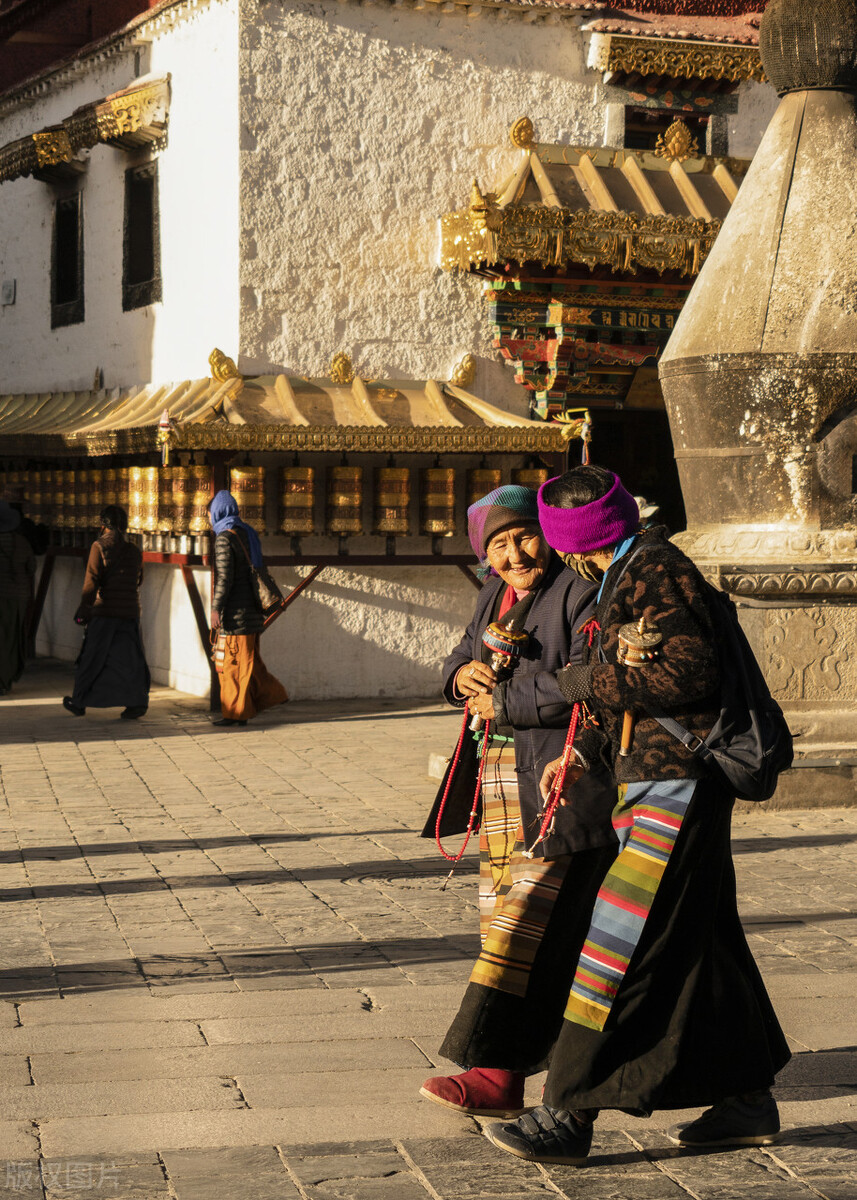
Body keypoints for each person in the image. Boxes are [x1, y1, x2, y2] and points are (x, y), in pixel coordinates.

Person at [485, 466, 790, 1166]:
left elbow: (686, 674)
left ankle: (566, 1111)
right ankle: (744, 1097)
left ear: (569, 544)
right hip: (649, 773)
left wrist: (576, 681)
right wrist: (587, 751)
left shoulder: (653, 570)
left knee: (621, 943)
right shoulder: (626, 570)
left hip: (675, 781)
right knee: (701, 940)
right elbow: (639, 685)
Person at [419, 484, 617, 1118]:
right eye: (499, 544)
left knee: (522, 926)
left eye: (524, 536)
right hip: (504, 779)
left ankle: (497, 1070)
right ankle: (510, 1072)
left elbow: (592, 680)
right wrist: (460, 676)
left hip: (560, 781)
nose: (514, 554)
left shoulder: (577, 591)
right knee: (504, 919)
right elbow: (462, 651)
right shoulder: (493, 595)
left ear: (550, 534)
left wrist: (504, 700)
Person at [209, 489, 287, 727]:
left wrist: (215, 609)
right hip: (252, 613)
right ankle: (245, 709)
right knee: (245, 664)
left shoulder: (224, 538)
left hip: (237, 614)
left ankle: (237, 712)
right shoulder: (247, 533)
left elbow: (224, 579)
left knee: (233, 666)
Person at [63, 505, 150, 719]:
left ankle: (79, 701)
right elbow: (139, 579)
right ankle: (136, 703)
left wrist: (84, 609)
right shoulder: (134, 550)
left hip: (105, 612)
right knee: (131, 661)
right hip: (130, 612)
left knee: (92, 657)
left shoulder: (99, 546)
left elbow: (91, 582)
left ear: (103, 524)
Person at [0, 500, 35, 696]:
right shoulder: (21, 542)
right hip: (18, 597)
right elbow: (31, 569)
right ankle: (6, 679)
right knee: (12, 638)